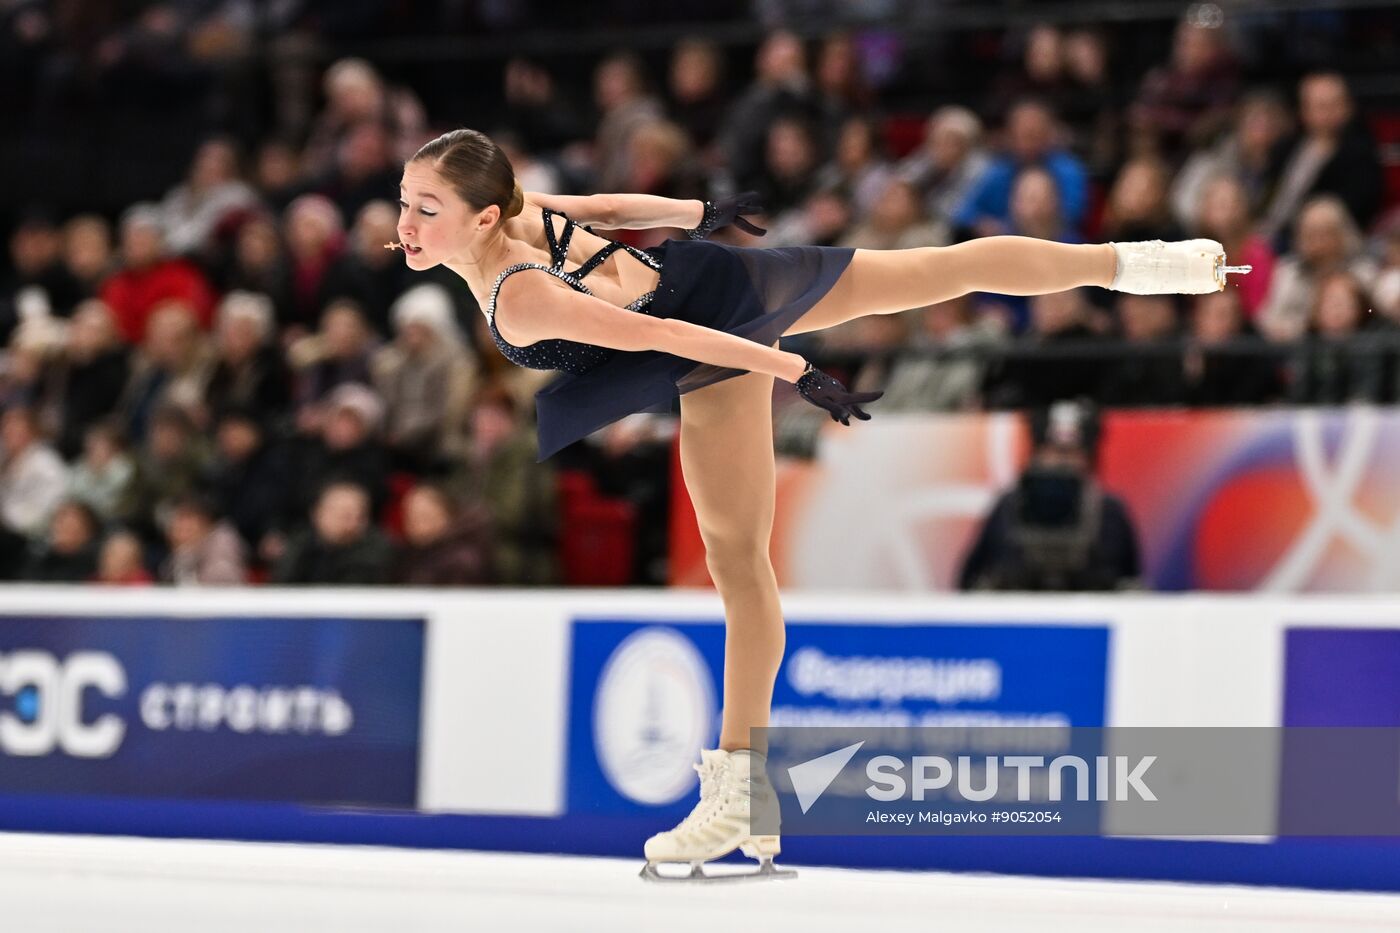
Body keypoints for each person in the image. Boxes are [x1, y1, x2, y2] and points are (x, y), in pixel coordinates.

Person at [388, 127, 1248, 880]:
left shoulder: (522, 289)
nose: (405, 225)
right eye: (404, 203)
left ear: (484, 217)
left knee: (737, 560)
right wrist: (698, 213)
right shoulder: (514, 214)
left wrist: (791, 368)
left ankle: (738, 791)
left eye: (426, 208)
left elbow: (665, 335)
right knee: (939, 275)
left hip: (710, 331)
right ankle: (1146, 264)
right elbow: (606, 209)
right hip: (711, 286)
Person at [958, 401, 1141, 592]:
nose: (1061, 462)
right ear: (1036, 454)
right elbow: (970, 582)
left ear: (1088, 458)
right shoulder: (1008, 507)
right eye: (1052, 451)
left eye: (1072, 453)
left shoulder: (1110, 513)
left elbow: (1131, 584)